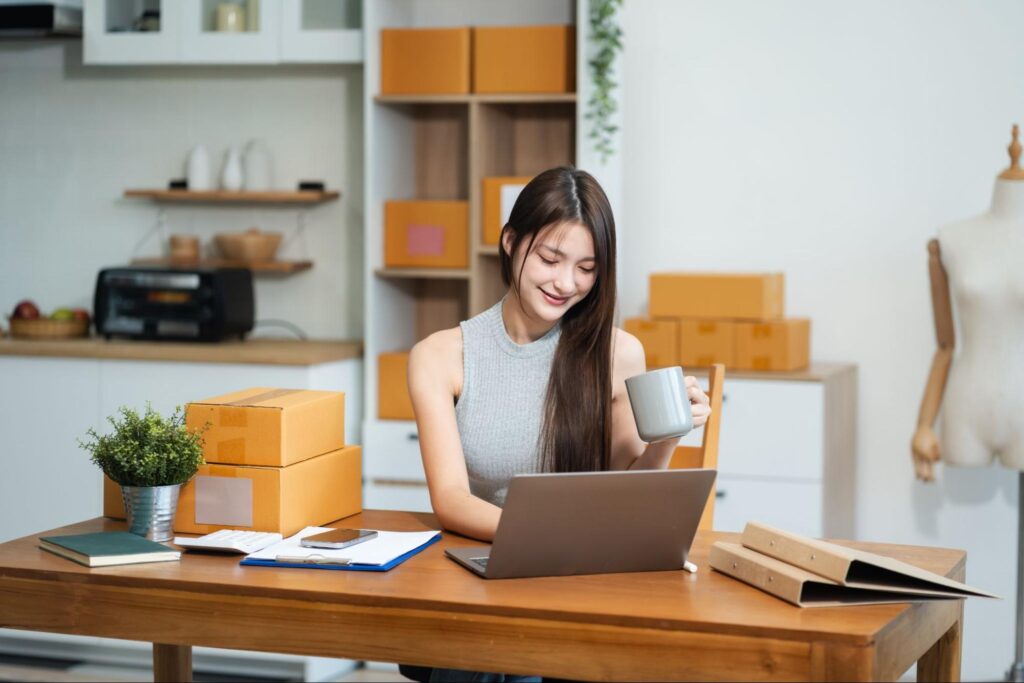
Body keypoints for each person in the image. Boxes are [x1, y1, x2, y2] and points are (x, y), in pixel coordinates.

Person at [399, 166, 711, 683]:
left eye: (587, 268)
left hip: (587, 583)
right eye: (550, 259)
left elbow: (626, 494)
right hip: (488, 569)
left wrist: (668, 436)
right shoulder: (440, 356)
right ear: (510, 242)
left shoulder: (616, 352)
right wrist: (546, 542)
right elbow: (450, 498)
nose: (566, 283)